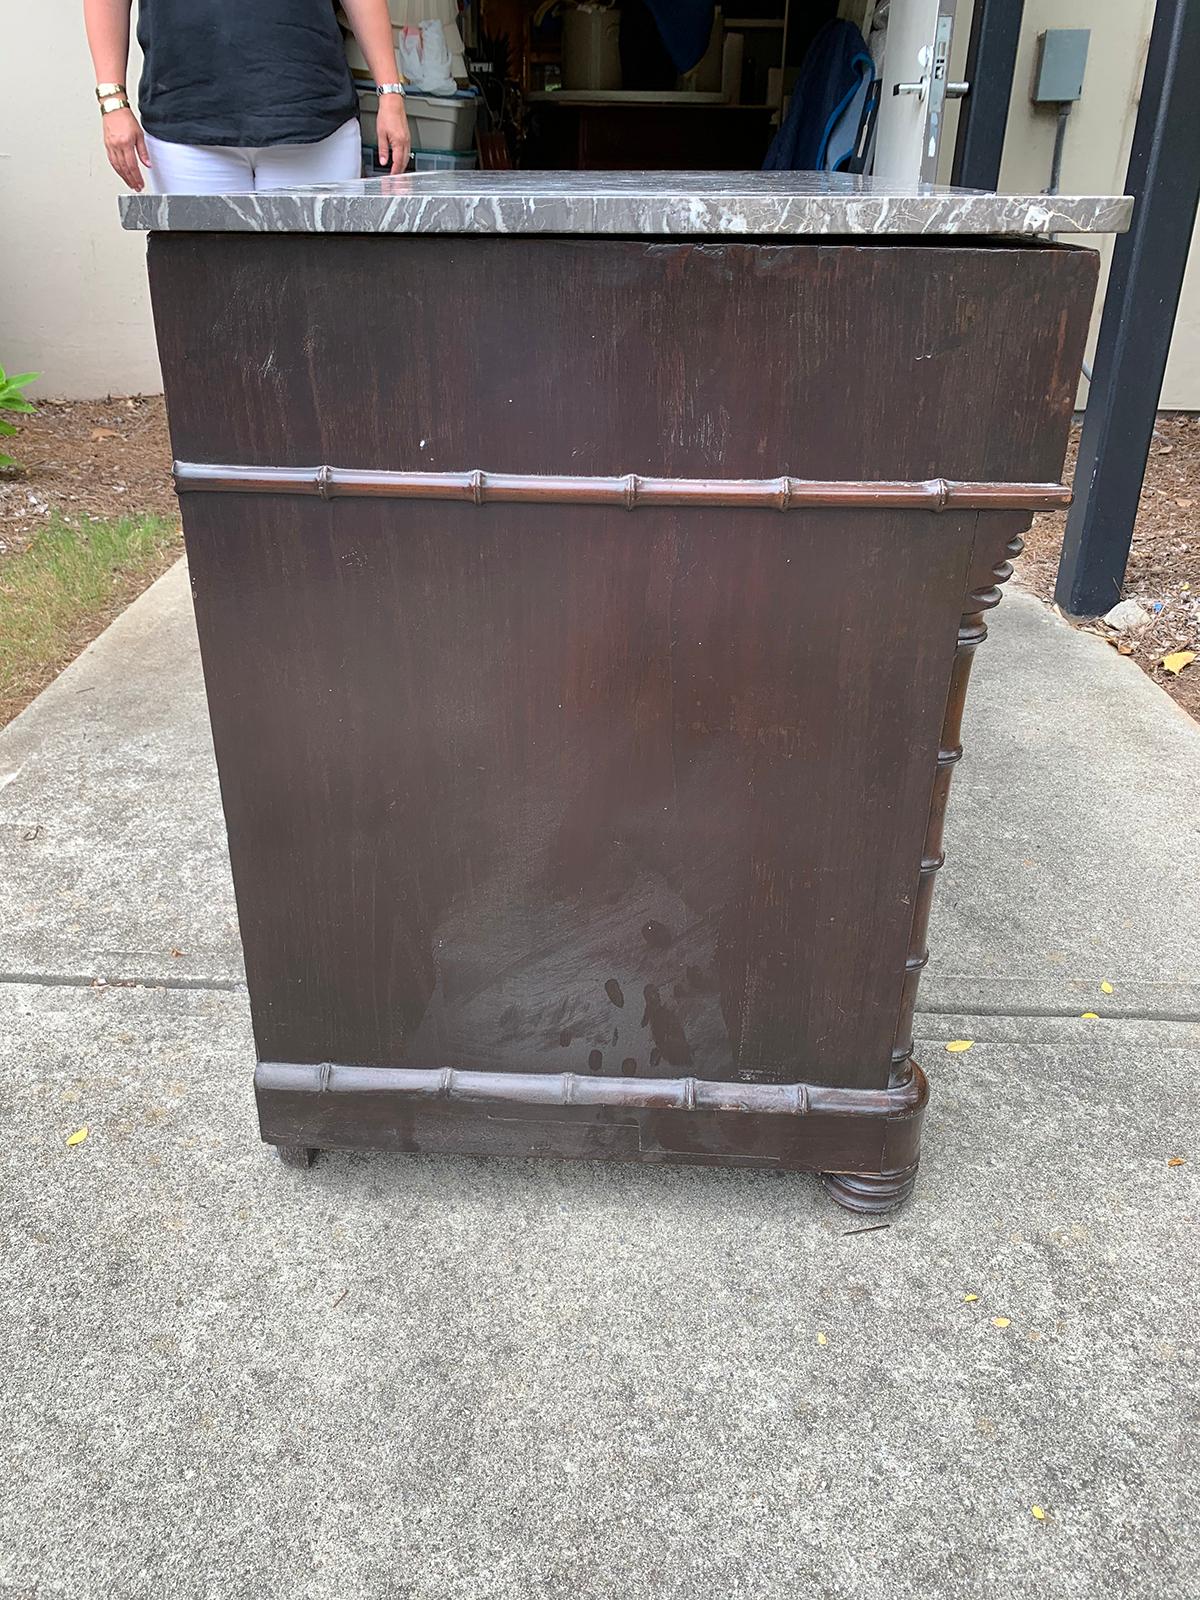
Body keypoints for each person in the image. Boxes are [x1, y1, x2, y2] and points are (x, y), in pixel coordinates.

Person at [83, 0, 411, 195]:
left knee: (313, 287)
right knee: (206, 291)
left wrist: (391, 94)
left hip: (311, 119)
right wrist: (112, 101)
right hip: (187, 127)